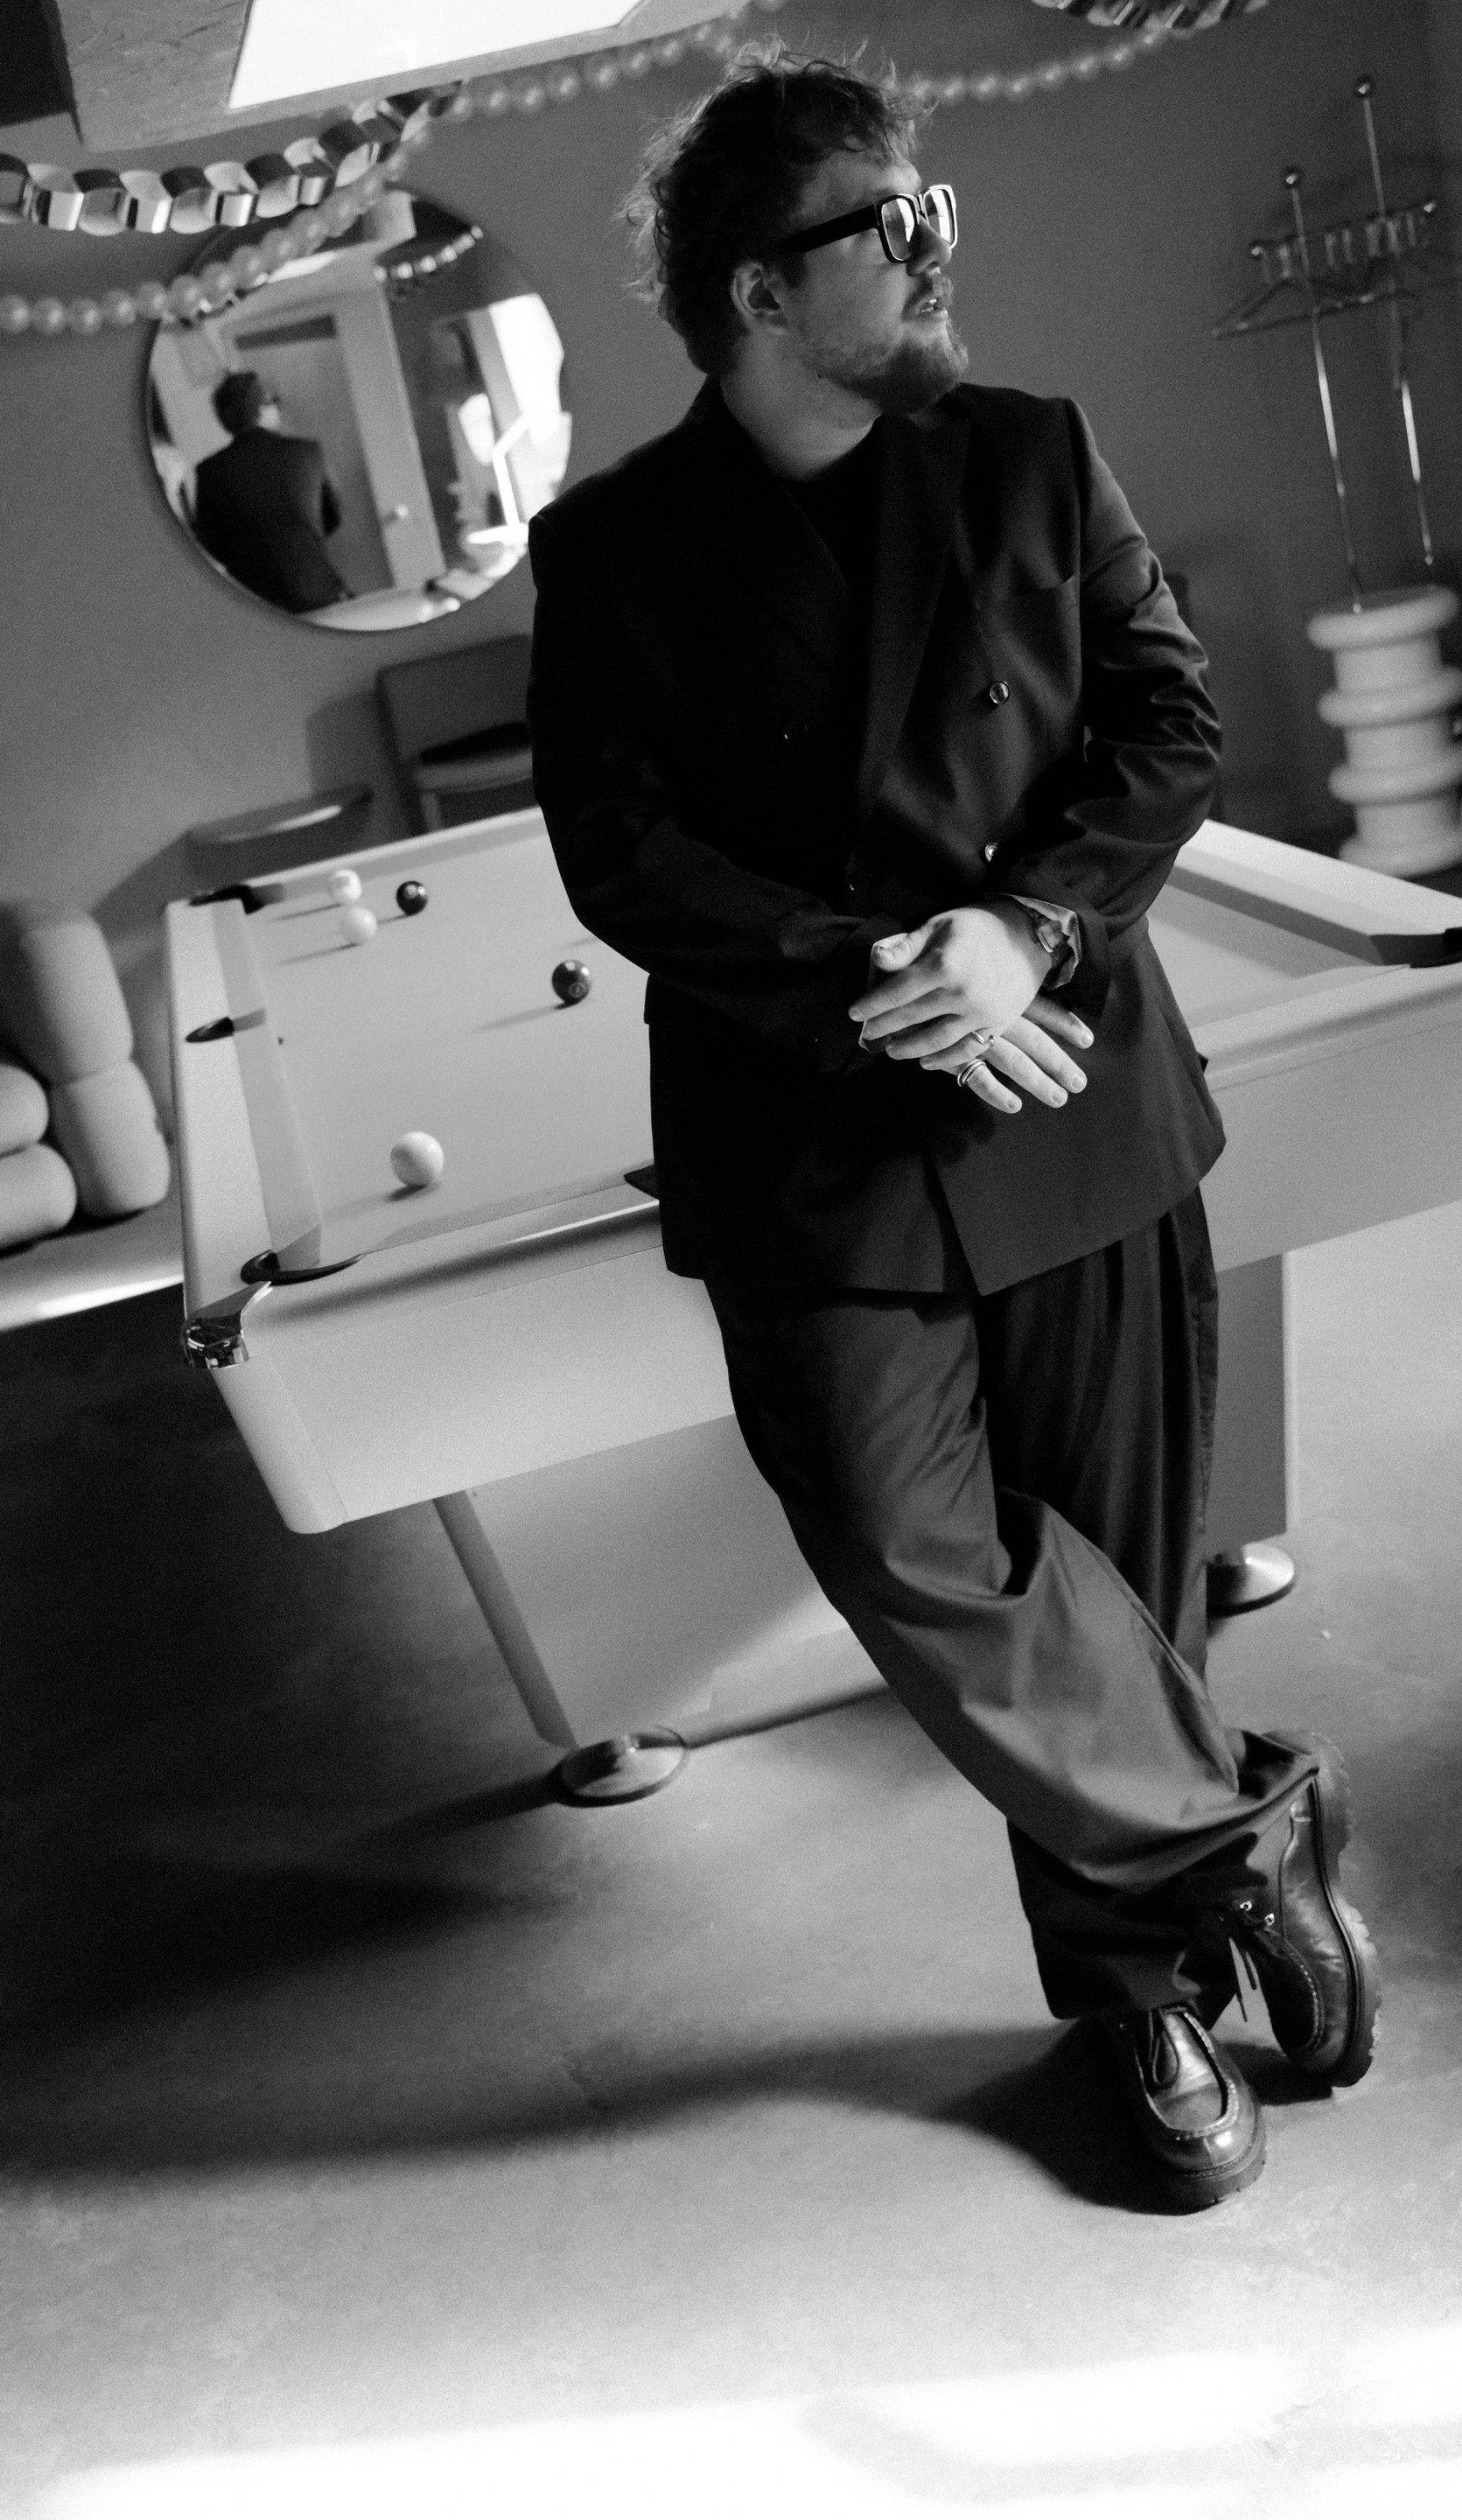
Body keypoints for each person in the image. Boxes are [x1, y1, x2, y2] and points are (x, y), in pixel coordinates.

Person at [526, 49, 1379, 2208]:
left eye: (935, 212)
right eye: (886, 226)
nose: (934, 252)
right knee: (902, 1539)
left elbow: (1167, 722)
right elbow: (617, 850)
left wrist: (1025, 929)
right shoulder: (611, 549)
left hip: (1071, 1086)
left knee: (1123, 1581)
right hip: (810, 1129)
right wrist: (880, 980)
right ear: (758, 290)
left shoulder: (1028, 452)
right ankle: (1238, 1832)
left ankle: (1139, 2004)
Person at [192, 370, 348, 615]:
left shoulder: (209, 472)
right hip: (319, 593)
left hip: (256, 605)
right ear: (262, 408)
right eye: (274, 401)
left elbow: (212, 546)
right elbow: (333, 517)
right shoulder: (307, 452)